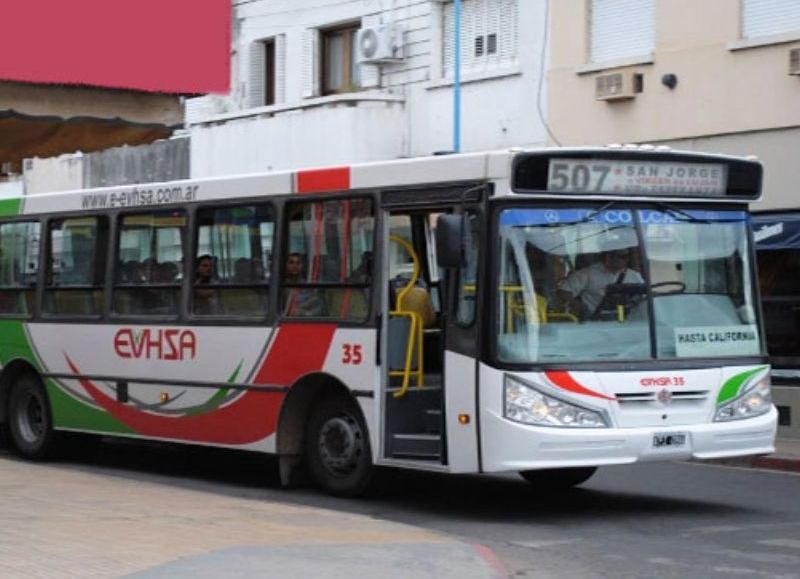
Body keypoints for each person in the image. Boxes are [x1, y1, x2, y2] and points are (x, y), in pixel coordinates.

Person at [558, 245, 644, 321]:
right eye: (622, 256)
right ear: (608, 256)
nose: (627, 259)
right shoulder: (587, 273)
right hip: (597, 323)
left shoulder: (634, 275)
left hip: (630, 323)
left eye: (628, 256)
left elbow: (645, 297)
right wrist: (580, 307)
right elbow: (564, 291)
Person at [284, 252, 325, 316]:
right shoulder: (281, 286)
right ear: (286, 265)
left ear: (301, 266)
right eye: (291, 262)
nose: (295, 266)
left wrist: (303, 313)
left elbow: (317, 306)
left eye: (298, 263)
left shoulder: (308, 286)